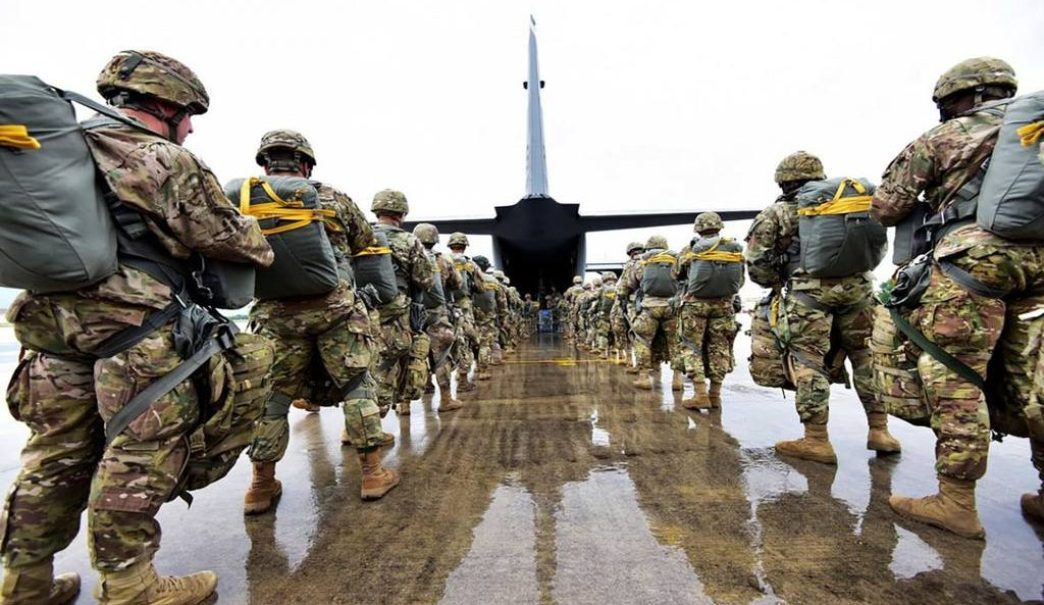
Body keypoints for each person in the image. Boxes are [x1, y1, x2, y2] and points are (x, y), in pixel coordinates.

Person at [1, 50, 274, 605]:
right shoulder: (161, 157)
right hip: (135, 327)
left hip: (50, 328)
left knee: (54, 454)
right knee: (141, 451)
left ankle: (24, 582)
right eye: (189, 116)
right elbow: (228, 237)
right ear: (166, 106)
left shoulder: (65, 147)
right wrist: (257, 240)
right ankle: (131, 585)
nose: (191, 128)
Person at [870, 57, 1041, 538]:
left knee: (953, 373)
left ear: (961, 97)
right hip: (1041, 265)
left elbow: (887, 206)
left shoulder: (946, 136)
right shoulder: (1035, 133)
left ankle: (956, 501)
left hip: (974, 261)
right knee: (1038, 378)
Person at [243, 130, 399, 516]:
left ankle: (260, 485)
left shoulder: (244, 199)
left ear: (265, 163)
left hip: (276, 315)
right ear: (306, 164)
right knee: (357, 386)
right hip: (337, 311)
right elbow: (365, 244)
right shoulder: (333, 198)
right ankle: (372, 474)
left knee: (274, 397)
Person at [745, 151, 900, 465]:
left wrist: (777, 282)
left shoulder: (777, 213)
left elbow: (757, 264)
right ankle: (880, 431)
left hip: (808, 297)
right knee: (865, 358)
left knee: (808, 361)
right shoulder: (847, 204)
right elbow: (876, 246)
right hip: (859, 292)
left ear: (784, 181)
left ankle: (816, 439)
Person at [369, 191, 435, 416]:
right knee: (387, 366)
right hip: (395, 314)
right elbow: (425, 280)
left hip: (361, 312)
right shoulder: (408, 241)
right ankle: (369, 426)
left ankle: (357, 424)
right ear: (401, 214)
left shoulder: (360, 237)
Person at [678, 212, 744, 410]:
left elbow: (676, 274)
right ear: (719, 226)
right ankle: (715, 395)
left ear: (698, 228)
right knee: (720, 348)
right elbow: (740, 281)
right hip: (724, 306)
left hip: (695, 305)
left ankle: (700, 394)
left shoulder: (690, 249)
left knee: (691, 347)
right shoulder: (733, 248)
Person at [618, 235, 682, 390]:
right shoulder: (676, 260)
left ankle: (644, 378)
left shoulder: (640, 262)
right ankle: (677, 379)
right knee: (675, 343)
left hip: (649, 308)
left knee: (642, 341)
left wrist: (624, 298)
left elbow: (626, 286)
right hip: (672, 308)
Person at [412, 223, 464, 411]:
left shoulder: (407, 255)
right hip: (437, 313)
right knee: (442, 357)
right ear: (435, 239)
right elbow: (457, 284)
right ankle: (446, 399)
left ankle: (404, 405)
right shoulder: (443, 260)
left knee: (410, 356)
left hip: (412, 313)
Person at [446, 233, 484, 391]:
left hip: (444, 304)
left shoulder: (442, 259)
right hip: (463, 305)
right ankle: (462, 380)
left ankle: (429, 383)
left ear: (450, 245)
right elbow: (480, 287)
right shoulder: (470, 264)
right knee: (464, 341)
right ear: (464, 246)